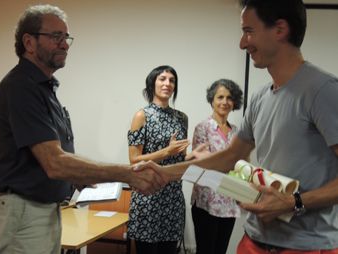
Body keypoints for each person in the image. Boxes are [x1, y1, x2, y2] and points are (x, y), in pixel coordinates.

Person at [136, 0, 338, 253]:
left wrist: (294, 201)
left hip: (305, 246)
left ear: (280, 29)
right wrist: (167, 173)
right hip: (254, 239)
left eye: (249, 31)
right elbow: (231, 156)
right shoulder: (261, 96)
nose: (242, 43)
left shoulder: (323, 91)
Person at [0, 5, 165, 254]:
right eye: (55, 37)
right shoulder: (20, 87)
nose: (65, 44)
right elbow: (54, 162)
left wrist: (76, 177)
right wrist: (127, 173)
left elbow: (48, 158)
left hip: (44, 209)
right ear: (29, 42)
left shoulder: (43, 89)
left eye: (66, 37)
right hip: (25, 211)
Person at [127, 65, 190, 254]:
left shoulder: (182, 118)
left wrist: (194, 156)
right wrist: (166, 152)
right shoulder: (142, 115)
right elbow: (134, 159)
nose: (167, 83)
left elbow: (181, 159)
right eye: (162, 79)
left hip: (172, 198)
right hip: (147, 196)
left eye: (172, 80)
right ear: (152, 84)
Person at [189, 79, 243, 254]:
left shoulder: (237, 132)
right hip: (207, 203)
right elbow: (201, 165)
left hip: (230, 201)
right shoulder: (202, 128)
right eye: (220, 97)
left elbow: (242, 166)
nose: (224, 102)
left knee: (221, 251)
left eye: (229, 98)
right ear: (212, 100)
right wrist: (229, 164)